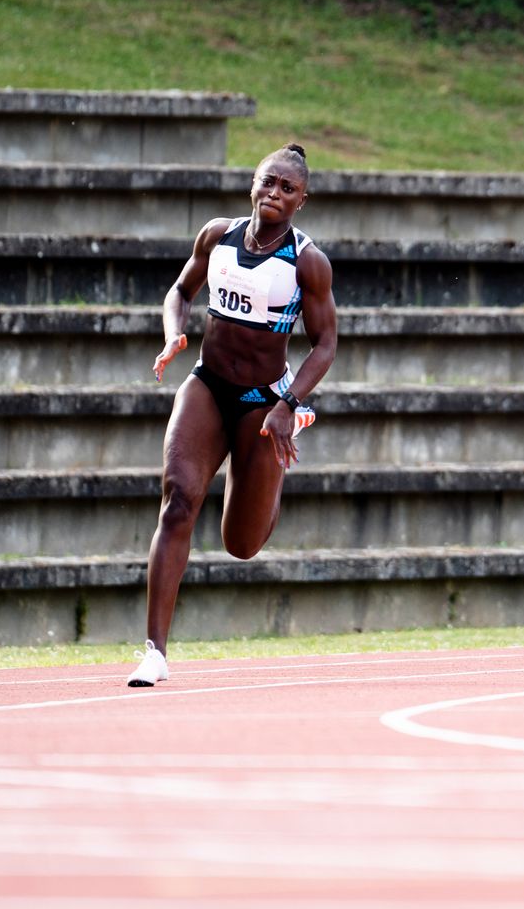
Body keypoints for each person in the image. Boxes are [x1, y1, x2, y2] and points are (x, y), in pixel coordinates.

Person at [130, 144, 338, 685]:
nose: (274, 193)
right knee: (178, 500)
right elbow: (180, 289)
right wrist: (174, 331)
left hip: (265, 401)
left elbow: (326, 343)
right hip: (208, 383)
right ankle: (154, 651)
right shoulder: (216, 235)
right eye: (268, 182)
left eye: (287, 188)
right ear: (253, 184)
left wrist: (290, 405)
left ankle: (273, 471)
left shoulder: (307, 261)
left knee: (241, 544)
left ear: (301, 201)